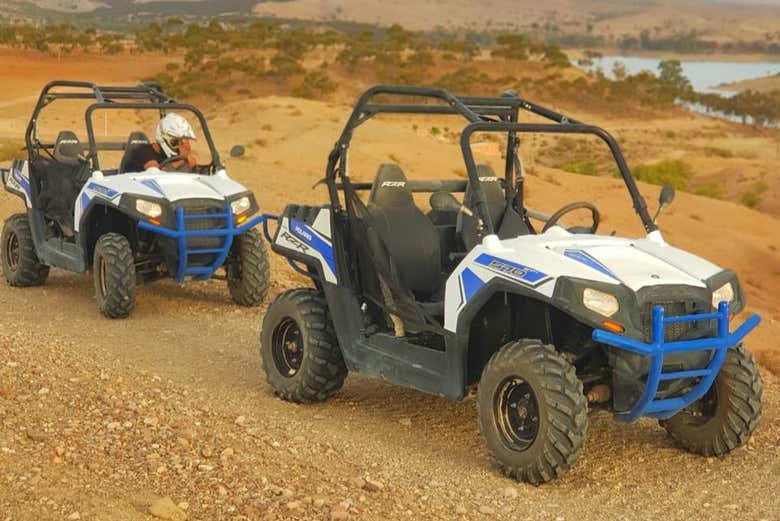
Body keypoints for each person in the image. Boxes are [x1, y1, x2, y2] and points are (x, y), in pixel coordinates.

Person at [123, 112, 198, 173]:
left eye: (184, 141)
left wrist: (190, 164)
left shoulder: (174, 155)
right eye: (177, 141)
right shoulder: (144, 153)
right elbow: (155, 174)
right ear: (165, 139)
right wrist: (181, 161)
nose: (181, 146)